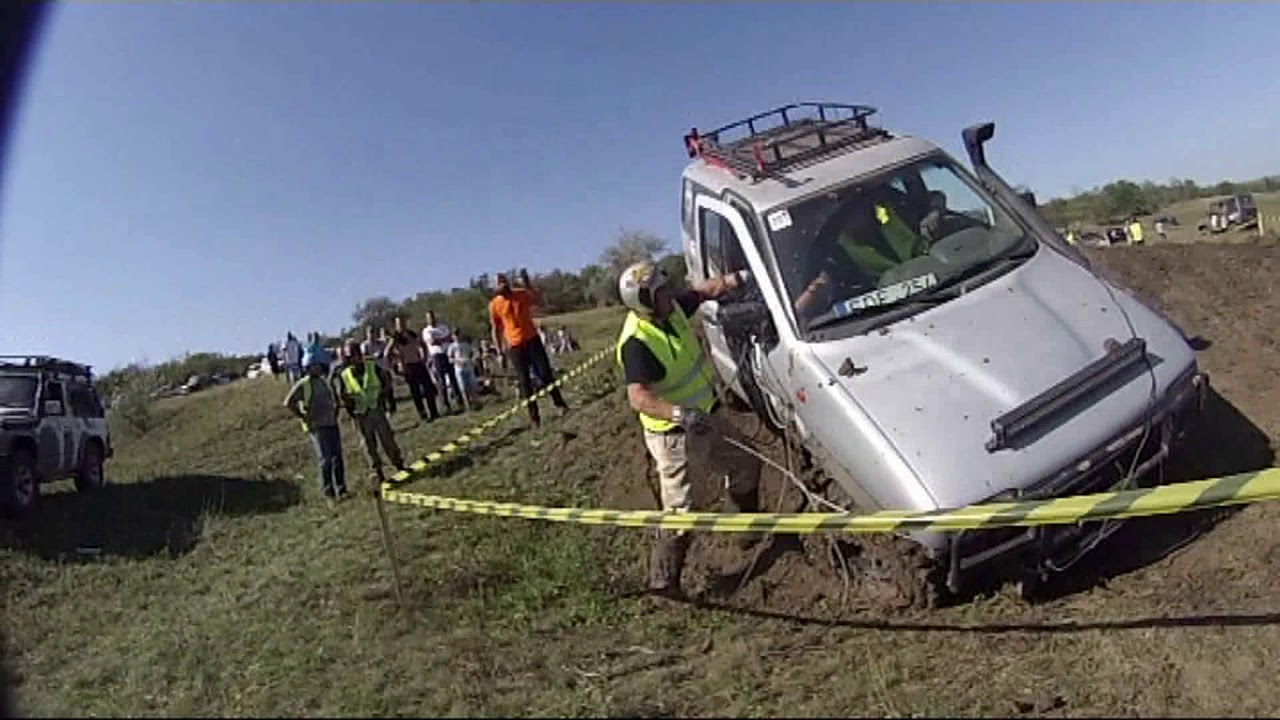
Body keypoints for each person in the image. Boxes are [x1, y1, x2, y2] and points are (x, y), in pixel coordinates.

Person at [615, 260, 763, 596]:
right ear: (646, 303)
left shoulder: (673, 309)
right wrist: (680, 414)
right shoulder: (637, 343)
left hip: (702, 418)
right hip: (673, 436)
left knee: (745, 463)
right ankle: (664, 584)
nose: (670, 295)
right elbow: (638, 398)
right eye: (661, 292)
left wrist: (741, 277)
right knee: (681, 513)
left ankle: (746, 531)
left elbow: (704, 291)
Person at [490, 269, 570, 429]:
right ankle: (535, 418)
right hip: (514, 346)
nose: (502, 284)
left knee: (545, 373)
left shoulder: (520, 294)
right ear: (495, 287)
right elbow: (495, 328)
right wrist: (499, 350)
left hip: (532, 339)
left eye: (503, 281)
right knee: (524, 382)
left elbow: (536, 299)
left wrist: (528, 283)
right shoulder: (494, 305)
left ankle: (560, 404)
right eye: (498, 282)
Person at [283, 342, 347, 499]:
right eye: (314, 365)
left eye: (318, 365)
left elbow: (335, 398)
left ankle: (341, 488)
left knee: (337, 456)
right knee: (325, 459)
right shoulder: (303, 384)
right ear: (308, 366)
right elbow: (288, 402)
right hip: (317, 427)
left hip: (331, 423)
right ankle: (328, 490)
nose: (317, 368)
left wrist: (336, 410)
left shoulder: (325, 380)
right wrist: (303, 416)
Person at [336, 339, 407, 480]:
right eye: (351, 356)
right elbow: (341, 394)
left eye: (357, 354)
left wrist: (385, 396)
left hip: (377, 409)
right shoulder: (344, 375)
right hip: (360, 414)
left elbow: (386, 380)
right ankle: (378, 472)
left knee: (387, 438)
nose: (355, 358)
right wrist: (350, 409)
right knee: (368, 444)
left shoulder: (372, 367)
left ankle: (398, 465)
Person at [386, 315, 440, 422]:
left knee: (428, 388)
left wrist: (424, 357)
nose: (402, 325)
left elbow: (422, 344)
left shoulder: (412, 334)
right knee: (416, 392)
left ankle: (434, 412)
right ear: (396, 325)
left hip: (418, 363)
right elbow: (387, 353)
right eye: (399, 323)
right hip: (408, 366)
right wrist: (395, 366)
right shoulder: (395, 338)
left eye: (403, 322)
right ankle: (423, 414)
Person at [422, 310, 465, 412]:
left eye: (432, 317)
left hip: (447, 353)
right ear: (426, 319)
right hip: (437, 356)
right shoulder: (426, 331)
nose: (431, 319)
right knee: (441, 381)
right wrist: (443, 338)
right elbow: (433, 342)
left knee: (453, 378)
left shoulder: (443, 327)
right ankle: (445, 405)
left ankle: (460, 402)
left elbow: (450, 338)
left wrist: (443, 338)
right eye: (429, 318)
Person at [448, 330, 479, 408]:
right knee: (463, 387)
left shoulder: (466, 344)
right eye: (455, 335)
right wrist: (457, 361)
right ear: (452, 336)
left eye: (458, 334)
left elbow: (474, 353)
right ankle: (467, 404)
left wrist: (473, 359)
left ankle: (476, 402)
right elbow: (450, 359)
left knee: (472, 385)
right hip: (459, 369)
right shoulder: (452, 346)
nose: (457, 336)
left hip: (469, 367)